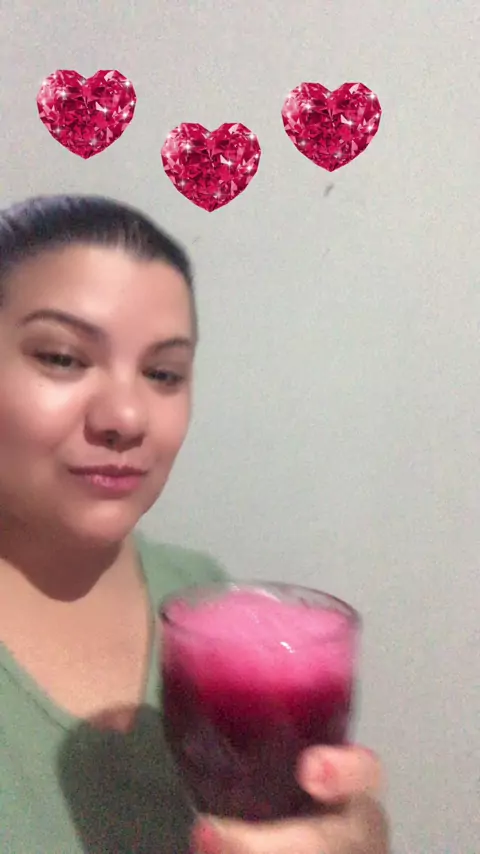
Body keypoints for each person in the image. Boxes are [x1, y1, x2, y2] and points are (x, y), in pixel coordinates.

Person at [0, 194, 389, 853]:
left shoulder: (202, 597)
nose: (126, 417)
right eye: (62, 357)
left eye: (163, 373)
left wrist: (352, 837)